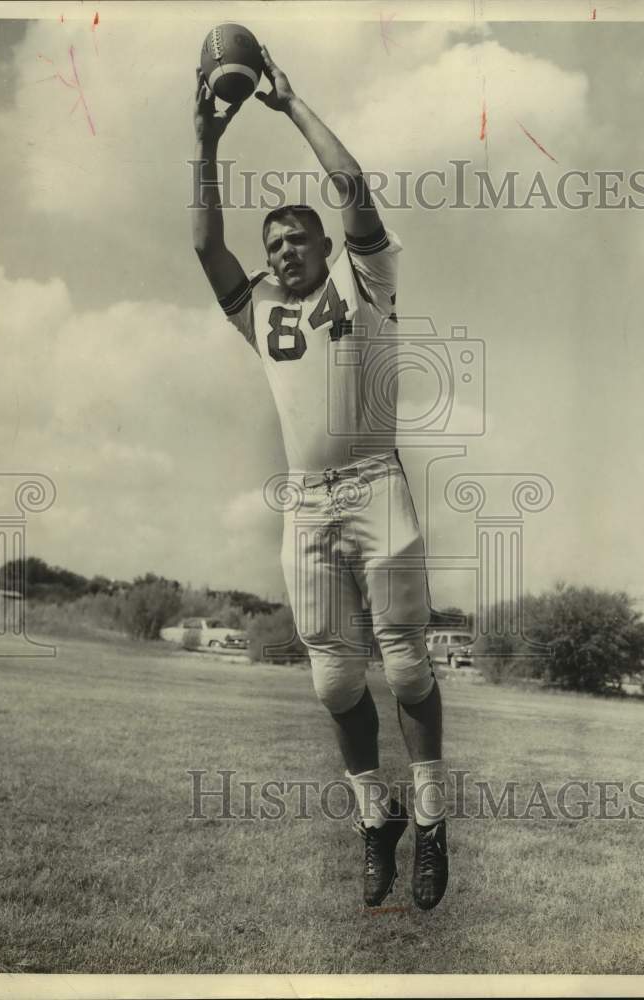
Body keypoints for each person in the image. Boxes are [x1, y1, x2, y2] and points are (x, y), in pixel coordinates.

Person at [191, 46, 448, 910]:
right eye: (275, 243)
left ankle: (433, 817)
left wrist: (289, 104)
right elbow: (204, 244)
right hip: (306, 505)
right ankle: (375, 820)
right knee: (335, 679)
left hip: (376, 482)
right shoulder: (261, 306)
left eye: (298, 236)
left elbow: (352, 185)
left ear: (323, 244)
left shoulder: (363, 274)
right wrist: (205, 139)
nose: (286, 248)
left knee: (408, 665)